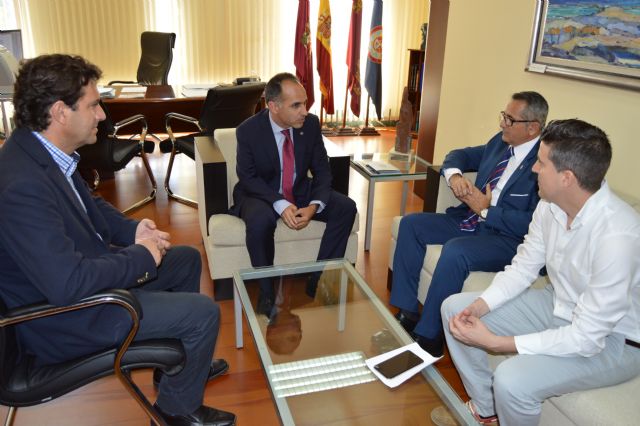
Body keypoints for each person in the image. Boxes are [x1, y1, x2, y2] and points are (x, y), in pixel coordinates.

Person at [0, 54, 235, 426]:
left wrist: (132, 231)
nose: (102, 115)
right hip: (68, 318)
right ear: (60, 112)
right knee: (203, 314)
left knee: (185, 260)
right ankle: (177, 409)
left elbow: (87, 204)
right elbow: (68, 284)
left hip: (82, 288)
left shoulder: (40, 152)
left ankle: (176, 371)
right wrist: (140, 257)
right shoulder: (21, 185)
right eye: (93, 105)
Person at [440, 119, 640, 425]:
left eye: (541, 163)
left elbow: (586, 338)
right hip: (557, 303)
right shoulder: (550, 205)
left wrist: (497, 343)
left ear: (567, 178)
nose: (533, 169)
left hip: (614, 340)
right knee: (455, 309)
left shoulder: (618, 235)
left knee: (512, 379)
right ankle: (486, 409)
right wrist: (478, 307)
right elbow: (522, 268)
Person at [390, 91, 548, 357]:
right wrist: (454, 177)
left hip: (507, 239)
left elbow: (534, 224)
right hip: (469, 219)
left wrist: (487, 211)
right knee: (411, 224)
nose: (502, 123)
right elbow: (458, 155)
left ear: (532, 128)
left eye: (509, 120)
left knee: (456, 251)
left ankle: (430, 337)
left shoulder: (543, 164)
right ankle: (407, 312)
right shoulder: (500, 143)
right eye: (504, 116)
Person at [230, 72, 357, 313]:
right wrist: (280, 204)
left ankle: (319, 279)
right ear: (273, 106)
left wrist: (313, 206)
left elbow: (322, 171)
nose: (304, 111)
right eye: (296, 105)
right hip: (260, 193)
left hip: (298, 190)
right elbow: (248, 177)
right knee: (259, 220)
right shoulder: (248, 131)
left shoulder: (310, 125)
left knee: (345, 207)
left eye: (305, 103)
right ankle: (266, 292)